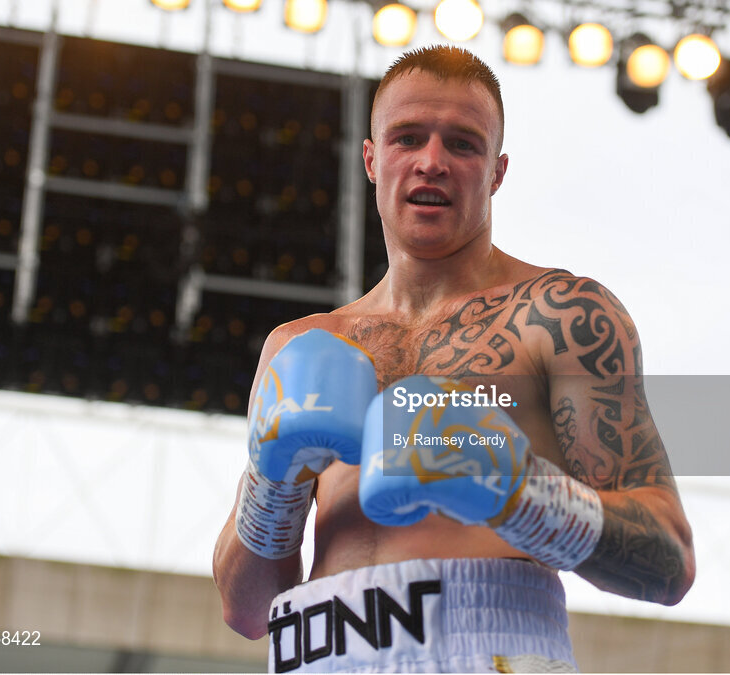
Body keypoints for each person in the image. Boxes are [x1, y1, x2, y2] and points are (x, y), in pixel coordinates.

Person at [213, 45, 695, 673]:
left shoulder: (559, 316)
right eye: (408, 138)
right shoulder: (302, 346)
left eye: (463, 145)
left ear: (496, 172)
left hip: (487, 650)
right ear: (371, 158)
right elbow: (246, 611)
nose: (432, 162)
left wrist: (518, 494)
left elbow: (669, 562)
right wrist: (272, 485)